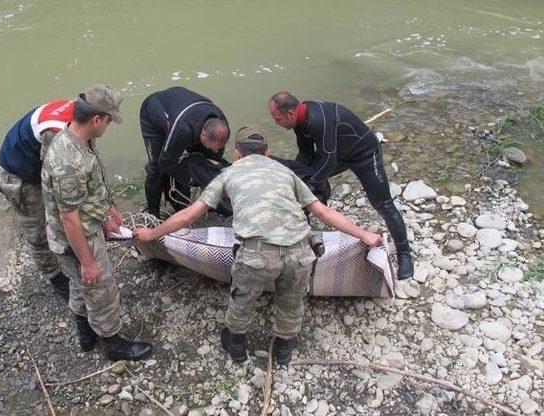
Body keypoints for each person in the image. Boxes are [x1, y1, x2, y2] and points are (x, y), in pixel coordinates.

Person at [133, 126, 382, 365]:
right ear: (267, 152)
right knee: (292, 301)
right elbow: (323, 212)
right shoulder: (286, 173)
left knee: (243, 300)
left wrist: (151, 233)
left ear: (237, 154)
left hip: (257, 255)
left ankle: (237, 346)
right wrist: (363, 235)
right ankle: (284, 348)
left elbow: (189, 216)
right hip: (300, 252)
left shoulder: (229, 173)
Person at [41, 84, 153, 361]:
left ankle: (85, 335)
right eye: (109, 121)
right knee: (100, 288)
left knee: (81, 286)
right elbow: (69, 219)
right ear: (96, 120)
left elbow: (93, 182)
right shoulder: (68, 161)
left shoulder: (81, 139)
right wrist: (87, 261)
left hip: (83, 228)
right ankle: (113, 344)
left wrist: (108, 207)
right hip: (77, 239)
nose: (109, 126)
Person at [268, 91, 413, 280]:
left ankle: (405, 254)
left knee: (383, 204)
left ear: (290, 113)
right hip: (338, 153)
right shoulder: (299, 122)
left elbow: (328, 161)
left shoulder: (317, 119)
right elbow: (305, 156)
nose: (276, 124)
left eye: (277, 119)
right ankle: (300, 235)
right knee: (303, 180)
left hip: (364, 154)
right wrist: (295, 179)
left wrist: (310, 185)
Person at [0, 98, 75, 299]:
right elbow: (54, 178)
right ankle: (54, 277)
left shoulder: (78, 112)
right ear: (96, 118)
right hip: (19, 175)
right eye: (108, 121)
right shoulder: (56, 132)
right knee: (37, 231)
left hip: (33, 160)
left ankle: (67, 245)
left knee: (62, 212)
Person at [139, 86, 229, 218]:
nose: (215, 150)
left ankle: (207, 203)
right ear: (203, 134)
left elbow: (212, 163)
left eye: (218, 147)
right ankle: (153, 213)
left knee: (209, 162)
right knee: (157, 169)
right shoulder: (182, 130)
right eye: (212, 146)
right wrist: (190, 178)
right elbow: (166, 164)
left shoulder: (221, 125)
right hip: (154, 111)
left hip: (186, 110)